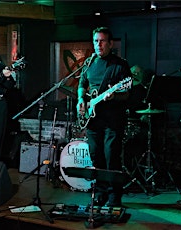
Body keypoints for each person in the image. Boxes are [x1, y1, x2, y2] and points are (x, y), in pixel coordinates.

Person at [76, 27, 132, 207]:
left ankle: (114, 197)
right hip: (93, 119)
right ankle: (100, 193)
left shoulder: (120, 65)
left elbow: (128, 93)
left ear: (110, 43)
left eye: (101, 41)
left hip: (112, 120)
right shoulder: (90, 62)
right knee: (96, 157)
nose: (98, 45)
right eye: (95, 41)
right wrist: (80, 100)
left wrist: (115, 95)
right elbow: (82, 84)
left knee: (111, 157)